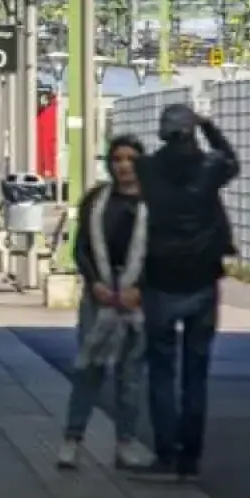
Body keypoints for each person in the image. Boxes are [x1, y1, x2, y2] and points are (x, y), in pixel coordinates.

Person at [133, 102, 239, 481]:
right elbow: (231, 160)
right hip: (202, 280)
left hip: (160, 279)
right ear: (191, 129)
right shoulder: (209, 169)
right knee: (196, 371)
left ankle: (165, 453)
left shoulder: (146, 169)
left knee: (161, 370)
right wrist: (210, 125)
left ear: (162, 131)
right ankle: (190, 458)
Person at [58, 135, 154, 471]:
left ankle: (125, 443)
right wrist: (93, 281)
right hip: (98, 294)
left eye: (130, 158)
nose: (124, 165)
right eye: (118, 159)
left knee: (130, 374)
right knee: (89, 367)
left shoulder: (155, 203)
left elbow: (161, 252)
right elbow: (80, 246)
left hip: (137, 298)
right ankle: (72, 439)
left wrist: (141, 288)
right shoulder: (97, 200)